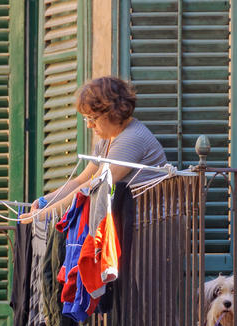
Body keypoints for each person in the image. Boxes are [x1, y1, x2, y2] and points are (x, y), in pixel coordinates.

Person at [20, 76, 167, 222]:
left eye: (92, 118)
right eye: (87, 119)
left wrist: (45, 215)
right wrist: (46, 200)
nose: (89, 125)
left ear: (113, 112)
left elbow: (93, 187)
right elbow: (80, 181)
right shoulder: (107, 140)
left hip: (150, 230)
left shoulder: (131, 138)